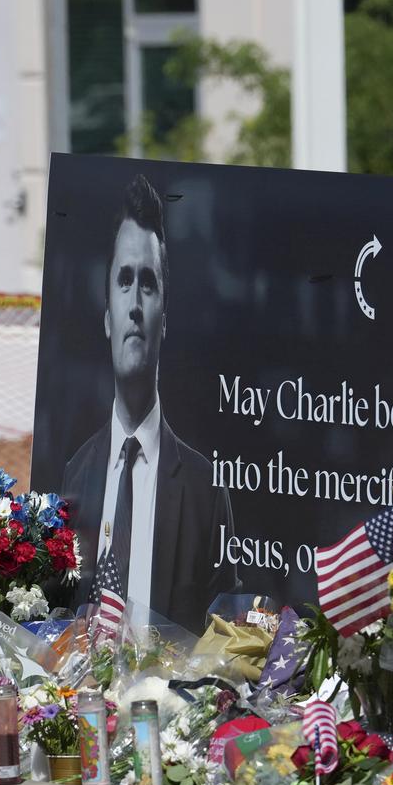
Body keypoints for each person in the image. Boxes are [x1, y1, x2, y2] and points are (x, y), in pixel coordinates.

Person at [60, 173, 235, 633]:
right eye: (124, 281)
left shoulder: (205, 490)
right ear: (107, 316)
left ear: (164, 318)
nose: (135, 303)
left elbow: (225, 635)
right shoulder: (74, 476)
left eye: (148, 283)